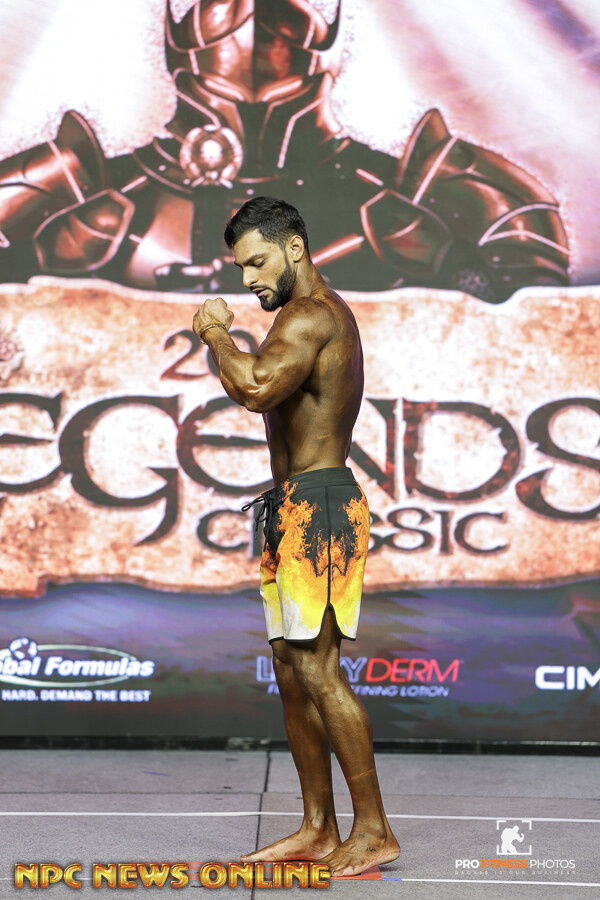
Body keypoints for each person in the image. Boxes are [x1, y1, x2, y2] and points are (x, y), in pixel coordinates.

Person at [192, 196, 400, 878]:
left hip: (322, 507)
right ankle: (317, 827)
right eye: (240, 267)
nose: (249, 277)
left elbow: (255, 387)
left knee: (317, 668)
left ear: (295, 248)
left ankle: (374, 831)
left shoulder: (311, 315)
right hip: (291, 506)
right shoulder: (300, 317)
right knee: (290, 671)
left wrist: (215, 333)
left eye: (257, 262)